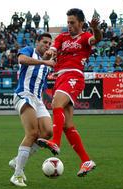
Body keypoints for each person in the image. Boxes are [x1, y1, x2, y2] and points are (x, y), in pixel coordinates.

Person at [37, 8, 102, 177]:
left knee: (56, 103)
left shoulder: (86, 36)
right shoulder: (62, 37)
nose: (69, 25)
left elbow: (97, 39)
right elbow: (52, 49)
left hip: (74, 75)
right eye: (68, 22)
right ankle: (86, 160)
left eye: (72, 23)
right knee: (67, 125)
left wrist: (95, 29)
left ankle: (55, 142)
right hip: (59, 77)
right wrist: (50, 52)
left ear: (81, 23)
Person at [9, 33, 55, 187]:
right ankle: (17, 174)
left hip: (37, 99)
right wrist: (45, 62)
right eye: (44, 42)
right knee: (32, 133)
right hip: (23, 94)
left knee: (47, 132)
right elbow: (21, 60)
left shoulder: (47, 65)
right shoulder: (29, 50)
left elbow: (42, 85)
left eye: (49, 43)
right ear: (37, 42)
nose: (47, 45)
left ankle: (18, 160)